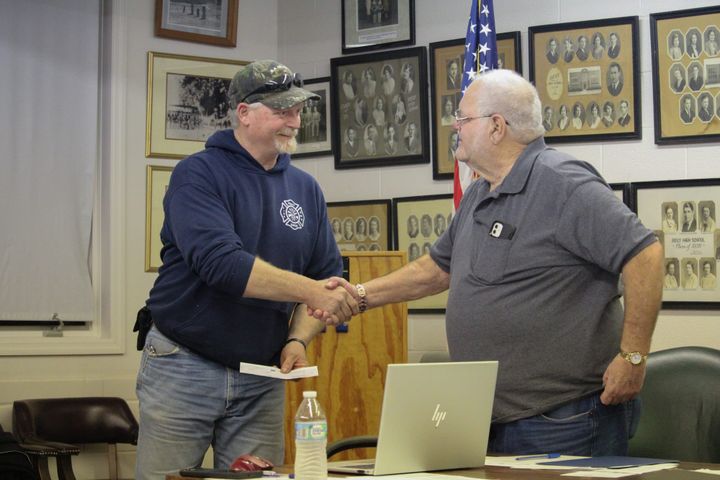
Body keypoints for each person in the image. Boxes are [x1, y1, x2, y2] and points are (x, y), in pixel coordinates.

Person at [321, 69, 663, 457]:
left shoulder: (561, 182)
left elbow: (645, 254)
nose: (455, 126)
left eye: (464, 118)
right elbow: (436, 269)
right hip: (488, 416)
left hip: (563, 417)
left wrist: (633, 356)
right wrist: (360, 295)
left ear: (497, 126)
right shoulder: (482, 190)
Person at [136, 60, 359, 480]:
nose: (294, 121)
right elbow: (223, 265)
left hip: (262, 375)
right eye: (282, 110)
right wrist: (312, 292)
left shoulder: (306, 189)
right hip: (184, 364)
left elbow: (325, 276)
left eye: (297, 110)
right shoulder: (198, 174)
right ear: (244, 113)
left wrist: (298, 338)